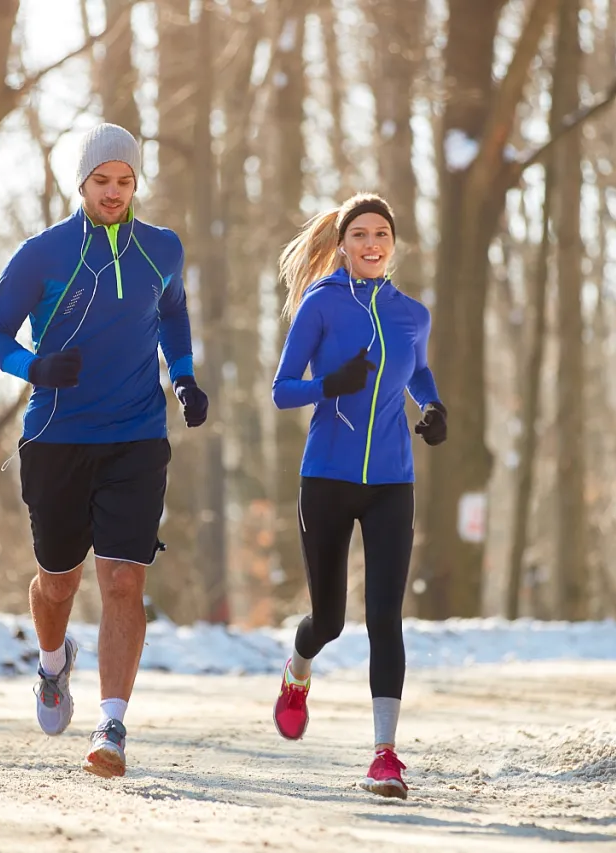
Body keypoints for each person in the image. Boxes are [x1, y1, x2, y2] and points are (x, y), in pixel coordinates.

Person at [0, 123, 209, 779]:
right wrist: (35, 367)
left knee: (124, 579)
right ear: (81, 183)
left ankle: (112, 724)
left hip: (136, 435)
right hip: (57, 437)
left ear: (138, 184)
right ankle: (53, 665)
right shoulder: (42, 254)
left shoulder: (162, 248)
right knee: (58, 582)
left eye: (125, 181)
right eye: (102, 181)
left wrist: (185, 375)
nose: (114, 192)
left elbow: (172, 312)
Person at [270, 192, 447, 799]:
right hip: (327, 477)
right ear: (342, 245)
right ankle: (298, 672)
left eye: (381, 234)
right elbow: (281, 391)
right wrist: (329, 384)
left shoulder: (411, 314)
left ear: (392, 244)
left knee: (385, 619)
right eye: (360, 235)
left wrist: (433, 406)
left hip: (392, 481)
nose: (372, 244)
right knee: (330, 620)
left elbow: (417, 370)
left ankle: (385, 755)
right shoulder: (320, 306)